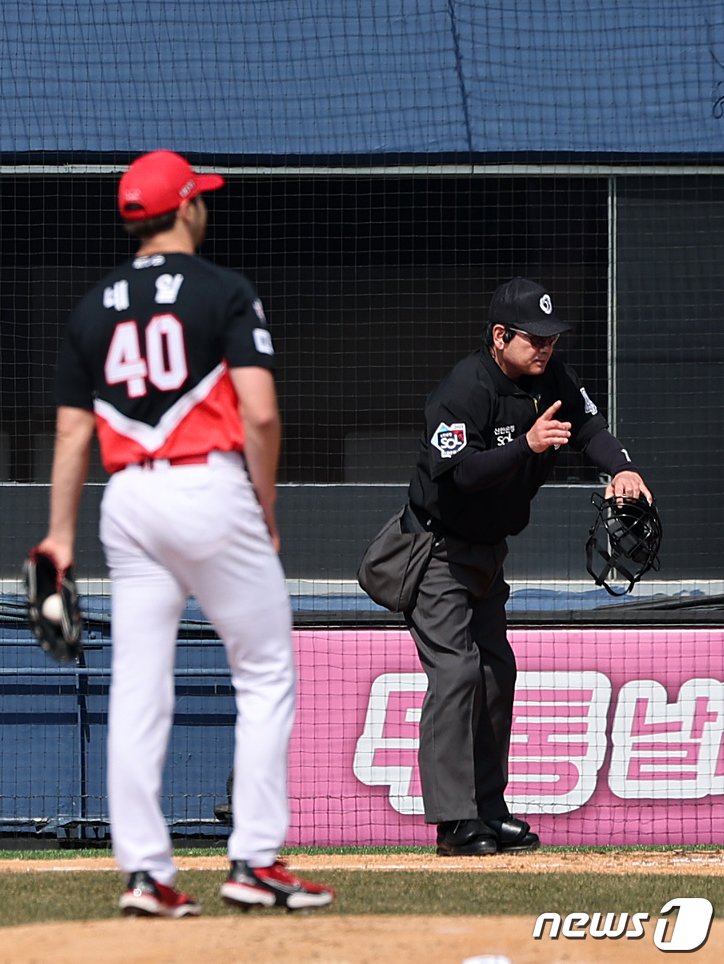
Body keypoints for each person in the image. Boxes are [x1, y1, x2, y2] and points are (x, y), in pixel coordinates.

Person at [34, 150, 334, 915]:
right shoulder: (223, 290)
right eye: (202, 199)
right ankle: (255, 861)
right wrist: (263, 505)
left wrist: (58, 543)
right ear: (188, 207)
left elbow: (71, 437)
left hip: (127, 498)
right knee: (264, 670)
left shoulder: (92, 306)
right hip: (209, 486)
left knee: (137, 686)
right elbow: (261, 413)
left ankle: (145, 875)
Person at [404, 277, 652, 857]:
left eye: (551, 337)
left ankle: (489, 809)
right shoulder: (464, 389)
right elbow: (462, 474)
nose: (544, 348)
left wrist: (620, 468)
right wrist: (528, 446)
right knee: (457, 676)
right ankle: (454, 822)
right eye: (533, 338)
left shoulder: (552, 380)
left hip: (489, 554)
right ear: (499, 336)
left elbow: (589, 428)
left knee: (496, 675)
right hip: (437, 550)